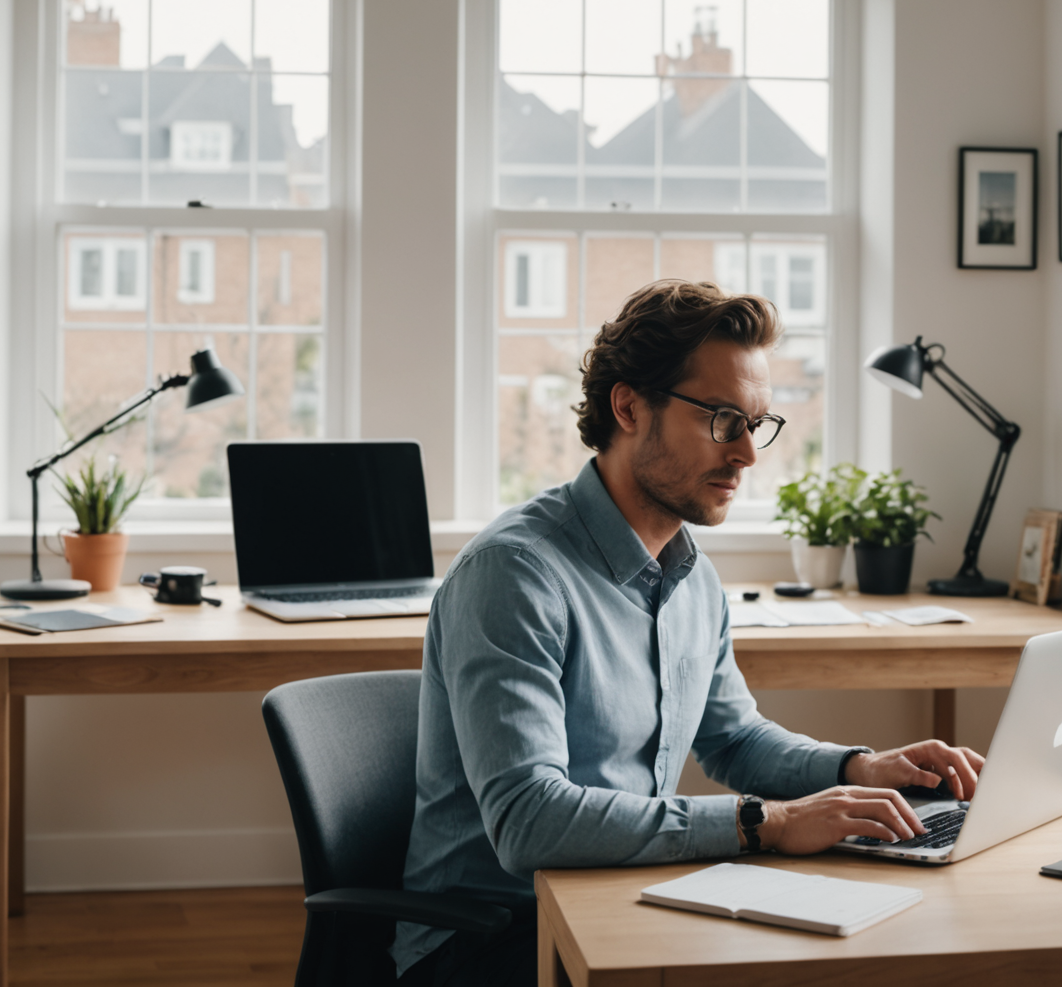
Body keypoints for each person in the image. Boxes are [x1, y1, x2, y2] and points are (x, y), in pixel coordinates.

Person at [393, 280, 985, 985]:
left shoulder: (689, 573)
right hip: (491, 942)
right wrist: (762, 822)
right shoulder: (515, 575)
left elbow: (732, 737)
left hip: (625, 895)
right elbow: (529, 823)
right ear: (628, 406)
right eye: (721, 419)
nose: (747, 455)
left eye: (756, 424)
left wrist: (857, 769)